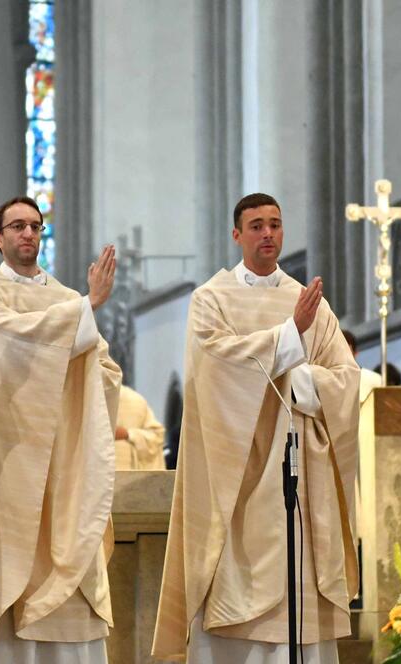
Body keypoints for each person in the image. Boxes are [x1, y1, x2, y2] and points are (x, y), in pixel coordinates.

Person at [152, 193, 360, 663]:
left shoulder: (308, 303)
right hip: (238, 481)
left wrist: (297, 378)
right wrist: (290, 338)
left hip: (300, 477)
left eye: (275, 225)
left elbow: (345, 380)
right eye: (257, 225)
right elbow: (213, 369)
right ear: (237, 235)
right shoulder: (212, 300)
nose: (268, 234)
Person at [0, 196, 122, 663]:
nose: (28, 234)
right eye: (17, 227)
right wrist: (85, 312)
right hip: (3, 464)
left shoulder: (65, 300)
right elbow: (6, 347)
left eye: (35, 226)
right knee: (6, 581)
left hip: (61, 465)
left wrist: (81, 329)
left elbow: (106, 372)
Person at [115, 385, 167, 470]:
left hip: (129, 476)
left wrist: (128, 434)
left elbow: (157, 437)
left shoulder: (135, 400)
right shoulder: (87, 397)